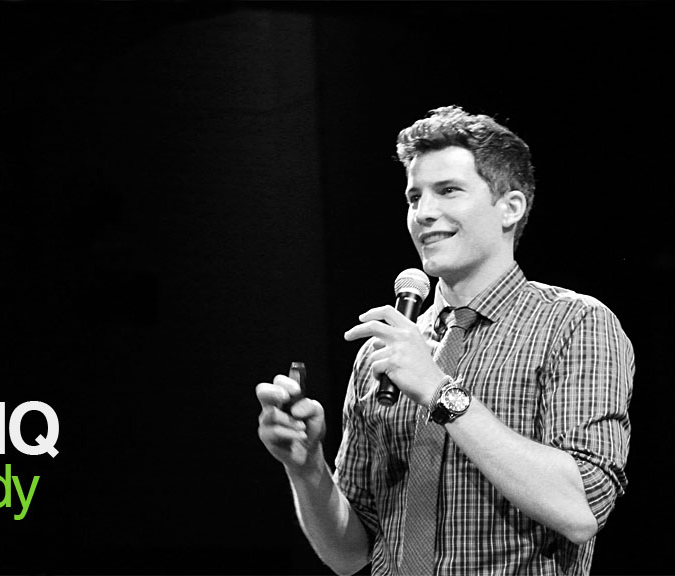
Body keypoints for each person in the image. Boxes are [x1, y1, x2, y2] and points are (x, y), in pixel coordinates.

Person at [256, 106, 634, 576]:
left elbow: (581, 511)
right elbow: (349, 554)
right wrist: (307, 466)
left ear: (511, 207)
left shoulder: (574, 324)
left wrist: (439, 391)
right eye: (414, 197)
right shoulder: (386, 351)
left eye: (448, 191)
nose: (424, 213)